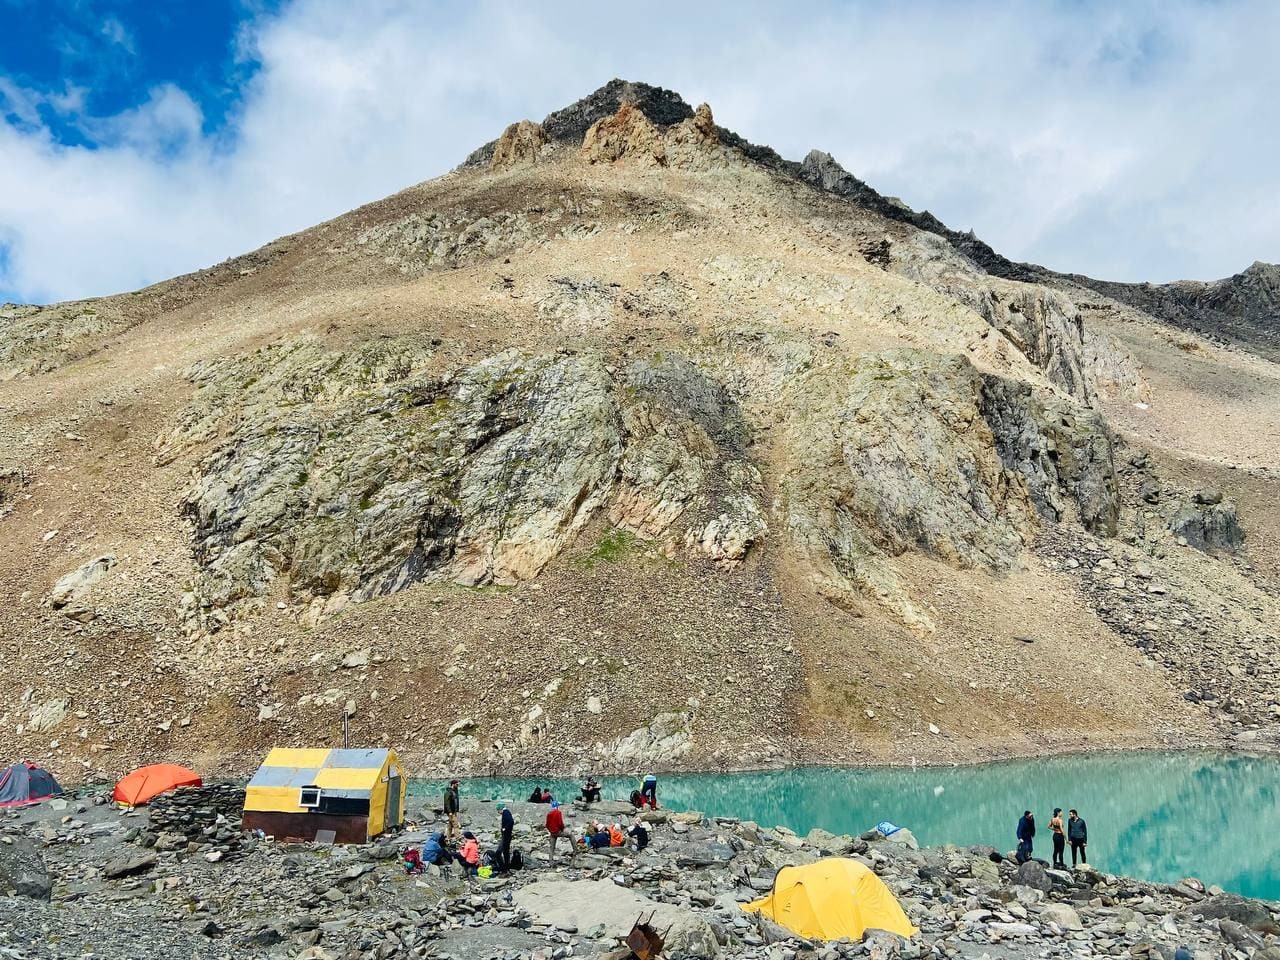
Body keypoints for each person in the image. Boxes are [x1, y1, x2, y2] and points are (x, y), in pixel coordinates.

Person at [497, 803, 514, 872]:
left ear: (500, 809)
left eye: (498, 810)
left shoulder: (505, 813)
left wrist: (505, 828)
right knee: (505, 851)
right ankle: (507, 866)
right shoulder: (507, 812)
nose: (498, 812)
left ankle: (504, 867)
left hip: (506, 835)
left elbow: (511, 821)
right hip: (507, 835)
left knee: (502, 852)